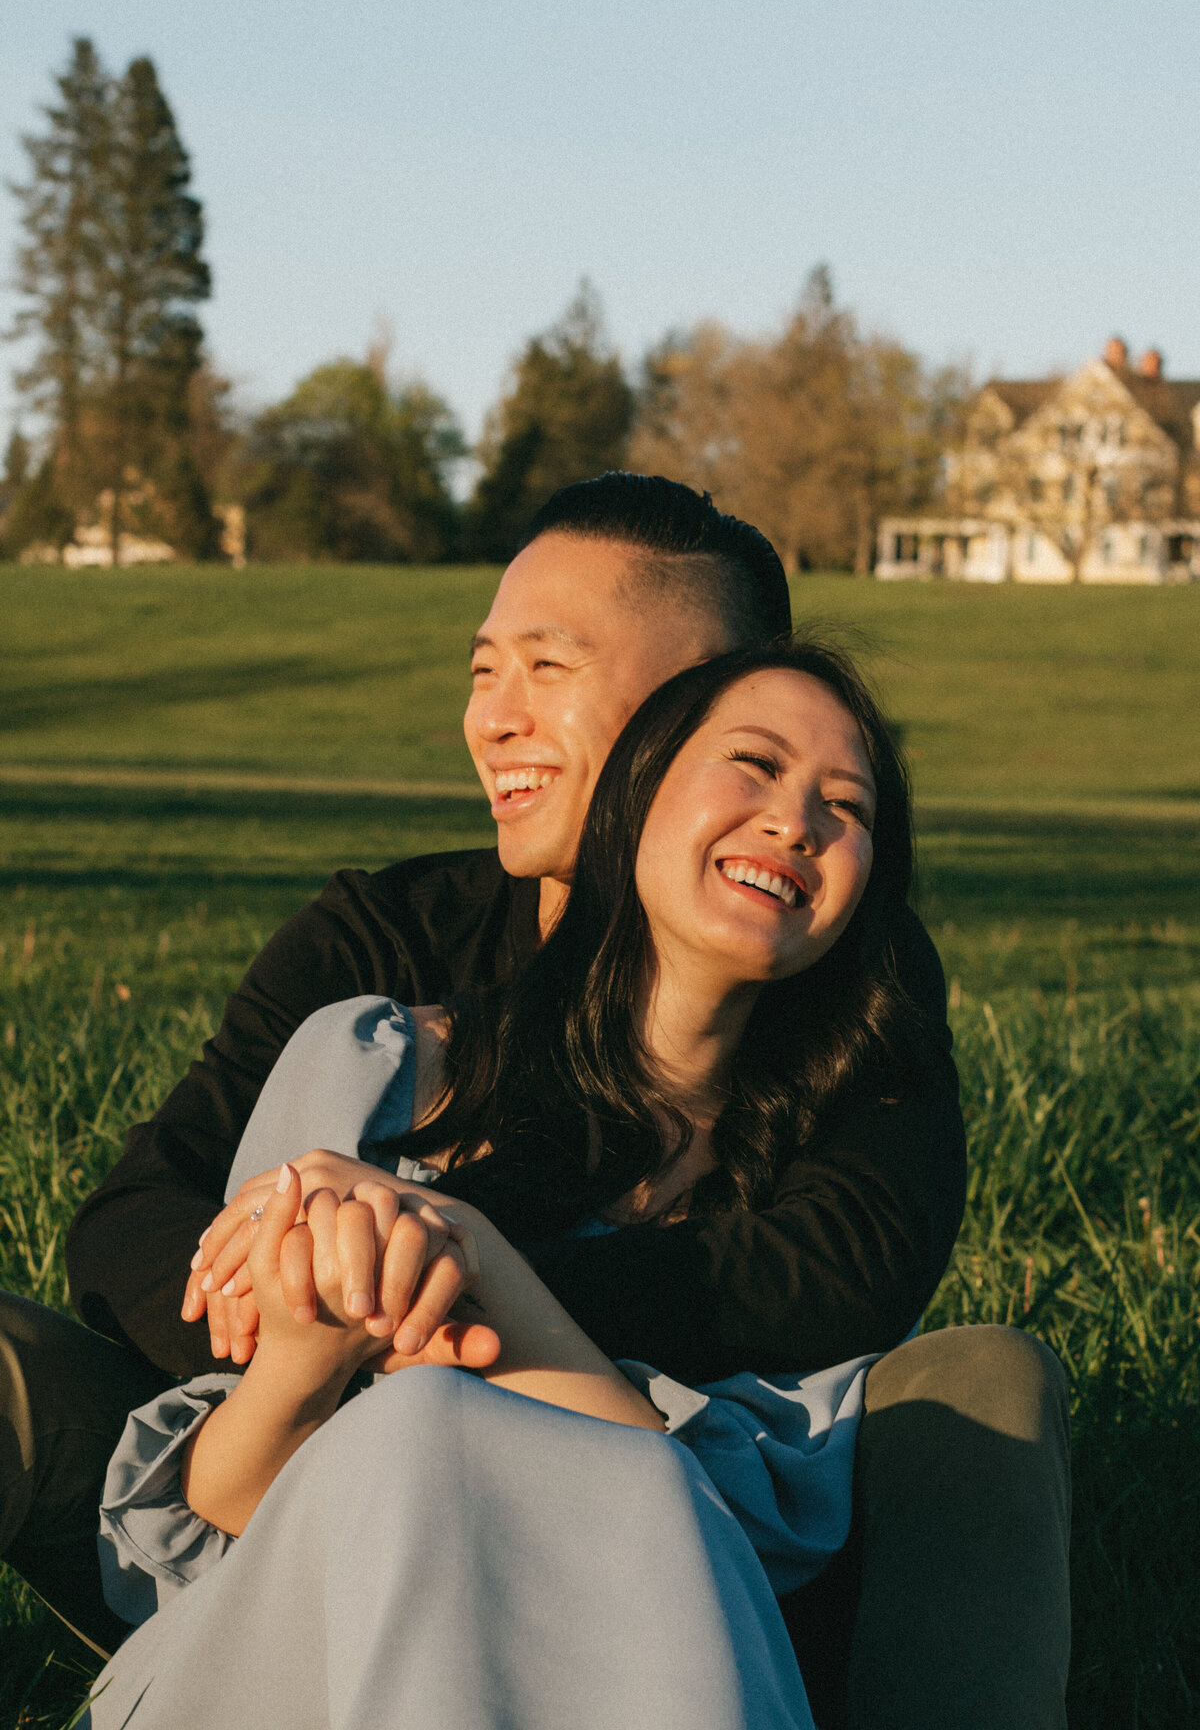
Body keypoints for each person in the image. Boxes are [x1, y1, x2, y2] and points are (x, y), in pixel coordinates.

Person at [0, 474, 1070, 1728]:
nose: (494, 721)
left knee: (987, 1385)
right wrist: (316, 1303)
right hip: (277, 1444)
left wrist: (466, 1285)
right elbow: (133, 1223)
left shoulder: (846, 976)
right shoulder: (384, 960)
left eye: (547, 669)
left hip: (714, 1484)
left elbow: (841, 1272)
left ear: (693, 703)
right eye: (483, 671)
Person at [87, 639, 924, 1729]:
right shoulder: (378, 1072)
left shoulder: (826, 1190)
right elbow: (196, 1538)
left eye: (845, 807)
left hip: (627, 1668)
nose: (796, 820)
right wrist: (307, 1354)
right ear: (636, 795)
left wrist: (472, 1257)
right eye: (754, 765)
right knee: (418, 1427)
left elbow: (736, 1552)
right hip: (306, 1652)